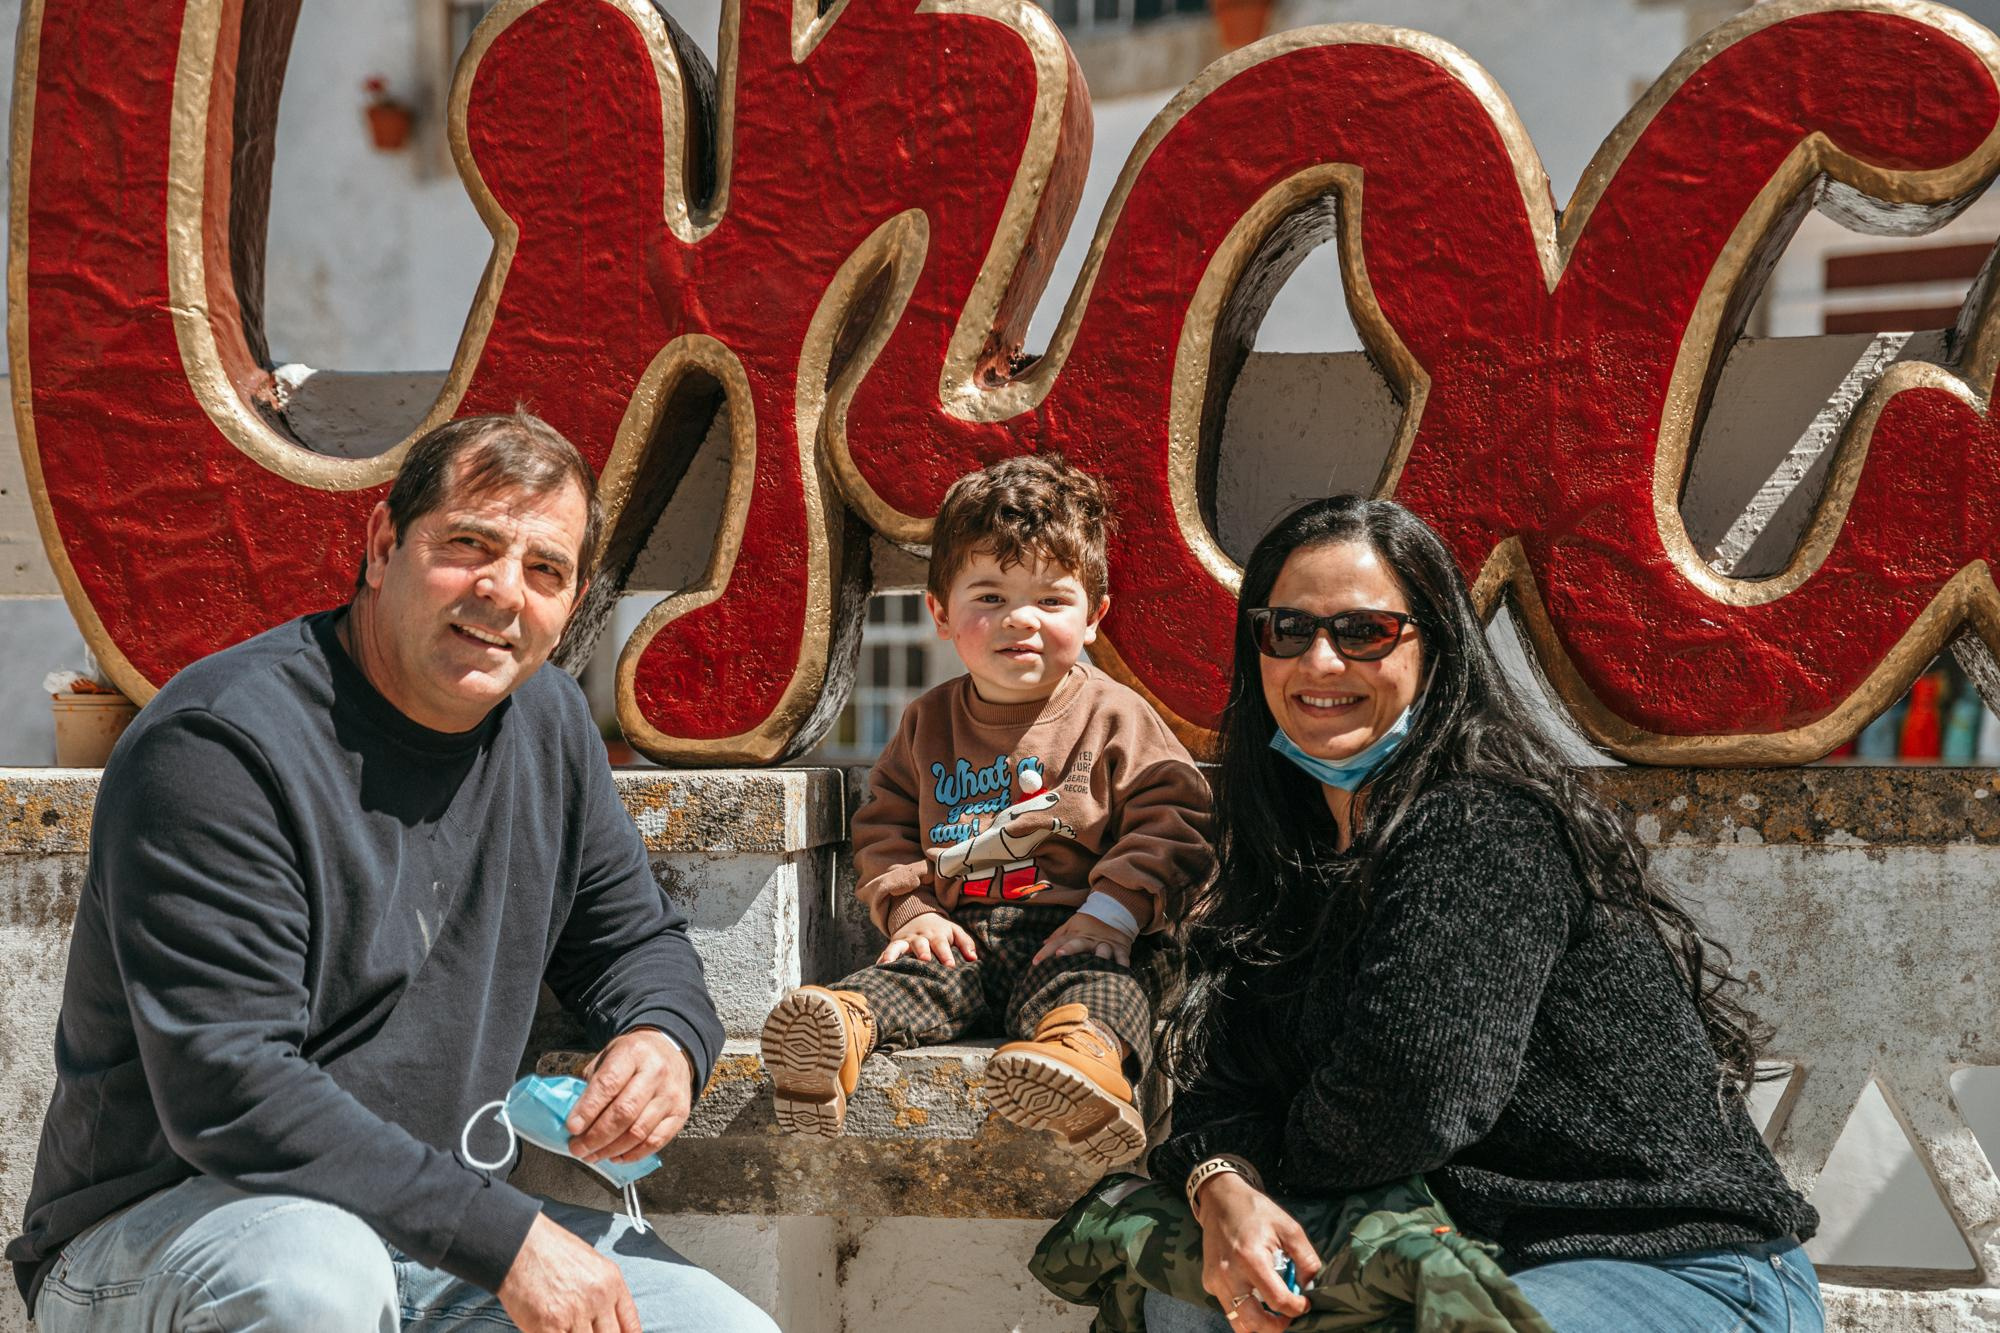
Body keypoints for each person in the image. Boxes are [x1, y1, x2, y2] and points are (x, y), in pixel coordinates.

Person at [8, 413, 777, 1333]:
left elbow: (633, 942)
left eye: (546, 570)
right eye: (469, 545)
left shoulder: (552, 727)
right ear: (382, 546)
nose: (503, 592)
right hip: (175, 1230)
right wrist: (506, 1239)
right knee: (313, 1283)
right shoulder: (218, 746)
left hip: (438, 1243)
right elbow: (231, 1090)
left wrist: (665, 1039)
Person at [1141, 496, 1822, 1333]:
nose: (1319, 662)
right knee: (1189, 1295)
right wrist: (1224, 1188)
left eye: (1363, 632)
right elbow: (1222, 1088)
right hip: (1455, 1253)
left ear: (1437, 651)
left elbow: (1408, 1103)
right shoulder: (1288, 865)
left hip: (1664, 1261)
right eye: (1287, 630)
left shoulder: (1480, 824)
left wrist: (1267, 1157)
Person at [760, 454, 1212, 1165]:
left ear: (1094, 615)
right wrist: (913, 915)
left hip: (1081, 932)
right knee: (906, 983)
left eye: (1051, 600)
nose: (1020, 621)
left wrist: (1115, 911)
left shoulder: (1115, 716)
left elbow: (1176, 820)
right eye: (991, 597)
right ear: (940, 613)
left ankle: (1085, 1068)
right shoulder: (926, 723)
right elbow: (881, 829)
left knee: (1100, 992)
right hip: (961, 935)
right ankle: (834, 1038)